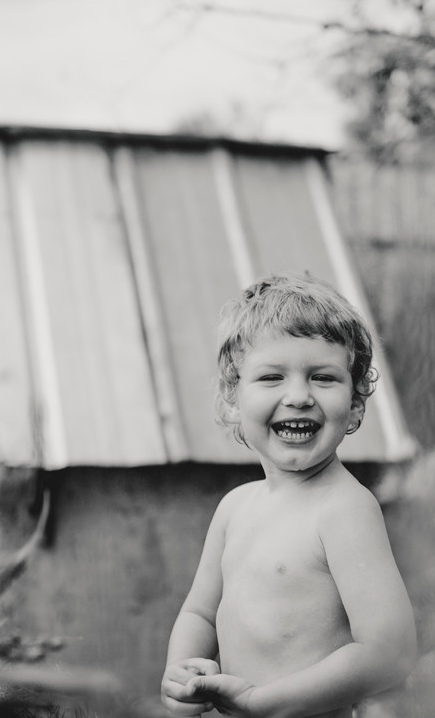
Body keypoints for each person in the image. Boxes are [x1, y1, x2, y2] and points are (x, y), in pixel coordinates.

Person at [160, 273, 417, 718]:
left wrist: (264, 704)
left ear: (355, 402)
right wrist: (180, 675)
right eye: (272, 377)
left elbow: (389, 652)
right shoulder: (234, 508)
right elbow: (200, 614)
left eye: (322, 378)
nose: (298, 396)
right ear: (232, 398)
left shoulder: (344, 509)